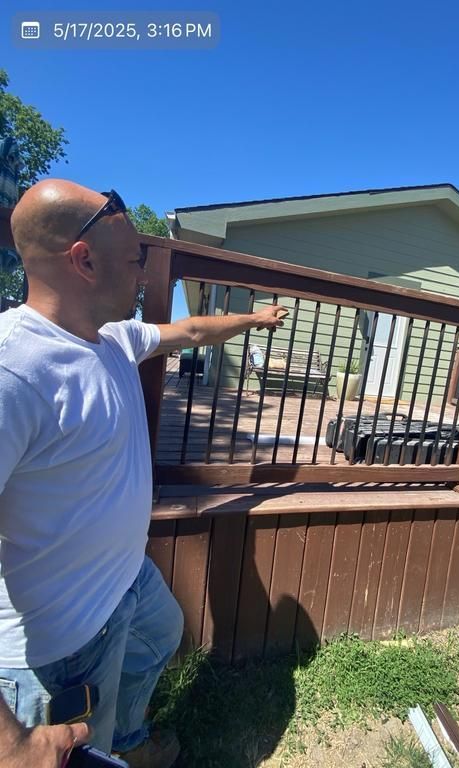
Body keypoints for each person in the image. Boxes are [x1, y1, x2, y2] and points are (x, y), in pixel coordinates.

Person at [0, 180, 287, 768]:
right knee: (86, 750)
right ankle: (116, 744)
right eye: (136, 262)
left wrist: (255, 319)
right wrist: (9, 743)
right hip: (58, 643)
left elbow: (191, 332)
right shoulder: (15, 372)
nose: (144, 277)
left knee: (161, 634)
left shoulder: (112, 340)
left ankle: (129, 737)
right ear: (83, 261)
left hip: (124, 582)